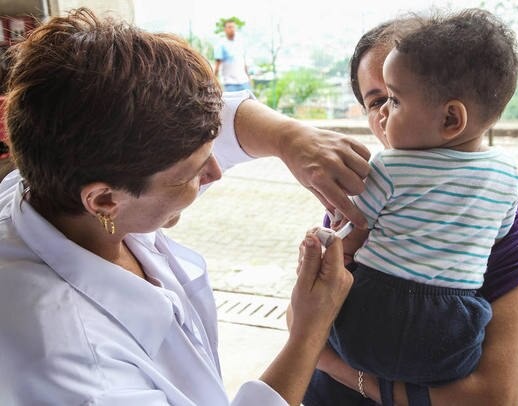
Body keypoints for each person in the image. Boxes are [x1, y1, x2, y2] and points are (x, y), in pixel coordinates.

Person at [0, 8, 373, 405]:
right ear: (105, 199)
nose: (216, 170)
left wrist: (289, 137)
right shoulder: (73, 367)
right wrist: (309, 333)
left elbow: (213, 120)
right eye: (193, 172)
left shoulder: (56, 172)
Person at [303, 10, 518, 406]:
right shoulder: (358, 185)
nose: (384, 114)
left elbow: (496, 397)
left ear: (451, 114)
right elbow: (302, 322)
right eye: (377, 100)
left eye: (395, 98)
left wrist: (348, 372)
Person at [214, 18, 251, 91]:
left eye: (233, 27)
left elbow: (244, 62)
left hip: (244, 82)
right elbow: (217, 65)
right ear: (225, 29)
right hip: (229, 84)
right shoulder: (221, 44)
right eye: (229, 27)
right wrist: (214, 81)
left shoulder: (240, 43)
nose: (232, 29)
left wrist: (248, 77)